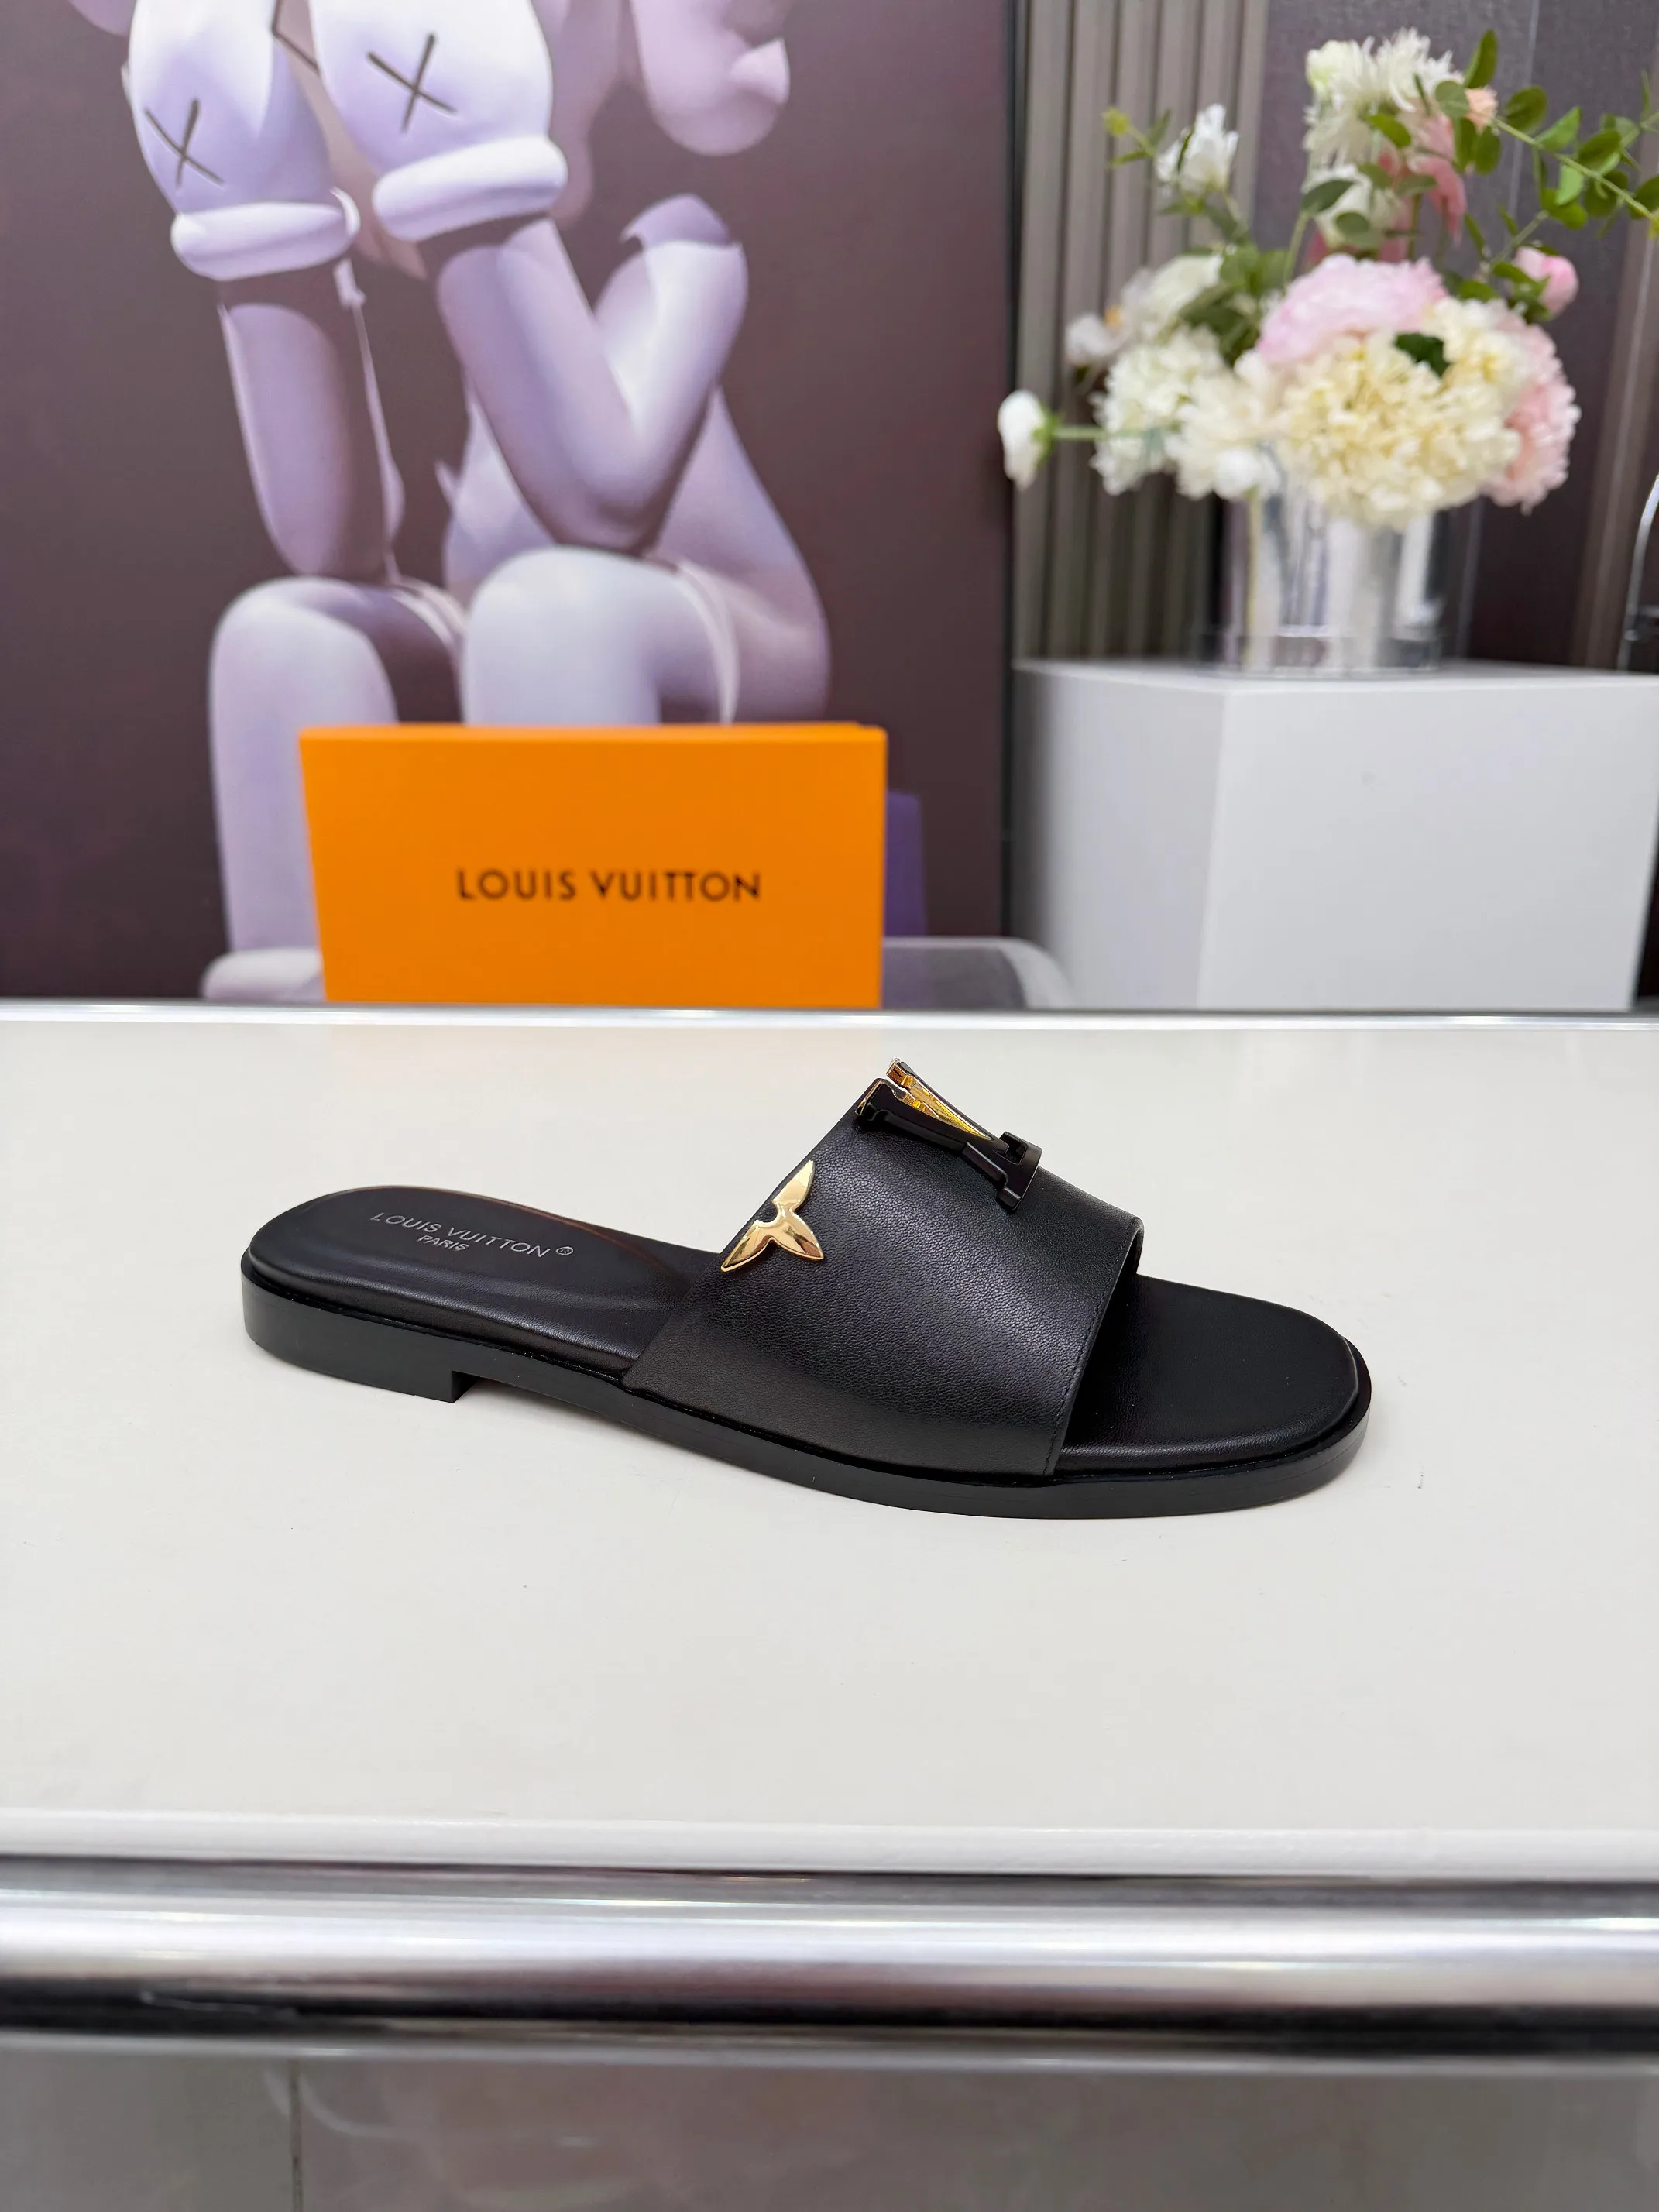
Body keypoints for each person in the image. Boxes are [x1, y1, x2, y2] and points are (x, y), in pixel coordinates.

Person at [73, 0, 830, 1000]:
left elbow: (603, 503)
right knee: (285, 633)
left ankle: (560, 1014)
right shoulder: (402, 266)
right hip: (498, 619)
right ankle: (300, 1013)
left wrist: (466, 167)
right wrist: (253, 218)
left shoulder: (674, 243)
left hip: (728, 632)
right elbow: (332, 541)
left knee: (555, 615)